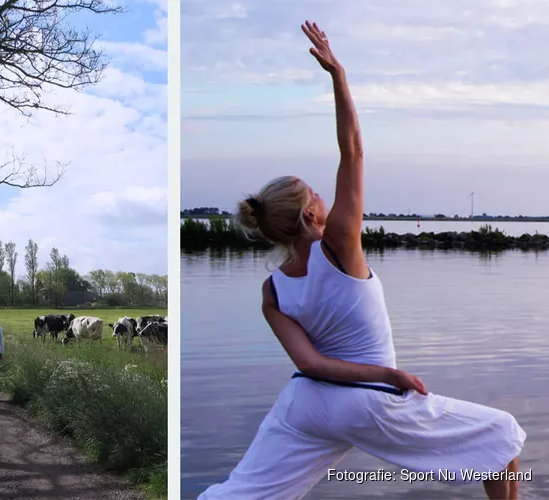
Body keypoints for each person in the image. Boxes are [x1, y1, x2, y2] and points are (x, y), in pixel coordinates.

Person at [199, 21, 525, 500]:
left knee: (245, 492)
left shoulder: (272, 291)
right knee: (502, 437)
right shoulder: (338, 247)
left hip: (305, 404)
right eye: (315, 192)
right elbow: (352, 150)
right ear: (312, 213)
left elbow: (310, 363)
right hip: (365, 401)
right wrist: (338, 74)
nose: (323, 196)